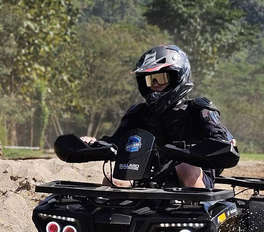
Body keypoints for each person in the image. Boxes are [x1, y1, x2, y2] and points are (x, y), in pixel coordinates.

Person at [83, 44, 238, 188]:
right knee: (112, 179)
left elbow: (220, 139)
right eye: (150, 79)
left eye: (161, 78)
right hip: (148, 172)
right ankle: (111, 215)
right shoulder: (138, 113)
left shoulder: (198, 109)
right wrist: (94, 143)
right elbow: (116, 142)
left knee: (184, 166)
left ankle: (195, 213)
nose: (155, 84)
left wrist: (223, 144)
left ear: (178, 77)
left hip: (196, 175)